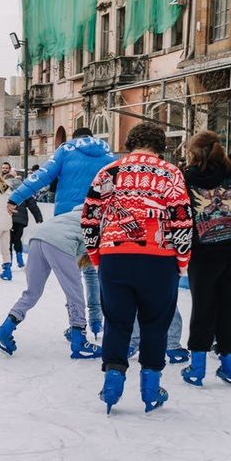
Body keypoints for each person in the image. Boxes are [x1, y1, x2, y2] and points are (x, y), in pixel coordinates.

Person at [82, 123, 193, 414]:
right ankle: (151, 388)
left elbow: (90, 217)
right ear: (160, 147)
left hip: (114, 256)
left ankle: (112, 384)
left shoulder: (109, 172)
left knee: (117, 321)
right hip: (159, 259)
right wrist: (181, 260)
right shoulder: (171, 173)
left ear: (130, 143)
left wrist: (97, 255)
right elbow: (182, 219)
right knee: (155, 322)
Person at [9, 127, 116, 338]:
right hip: (97, 219)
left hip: (66, 221)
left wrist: (16, 196)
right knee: (93, 272)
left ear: (74, 138)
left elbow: (42, 175)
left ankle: (76, 325)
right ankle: (96, 321)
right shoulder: (108, 155)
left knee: (72, 278)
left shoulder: (66, 150)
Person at [0, 205, 102, 359]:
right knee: (75, 294)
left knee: (32, 292)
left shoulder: (72, 215)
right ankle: (79, 341)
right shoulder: (101, 222)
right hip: (60, 242)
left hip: (37, 238)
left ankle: (4, 330)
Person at [179, 131, 231, 386]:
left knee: (203, 306)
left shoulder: (186, 178)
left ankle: (197, 366)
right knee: (228, 306)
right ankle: (229, 365)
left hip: (202, 252)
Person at [10, 192, 42, 269]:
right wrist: (39, 218)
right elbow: (33, 206)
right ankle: (20, 260)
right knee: (17, 239)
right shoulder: (24, 190)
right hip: (20, 221)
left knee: (8, 240)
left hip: (8, 218)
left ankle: (8, 261)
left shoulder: (6, 189)